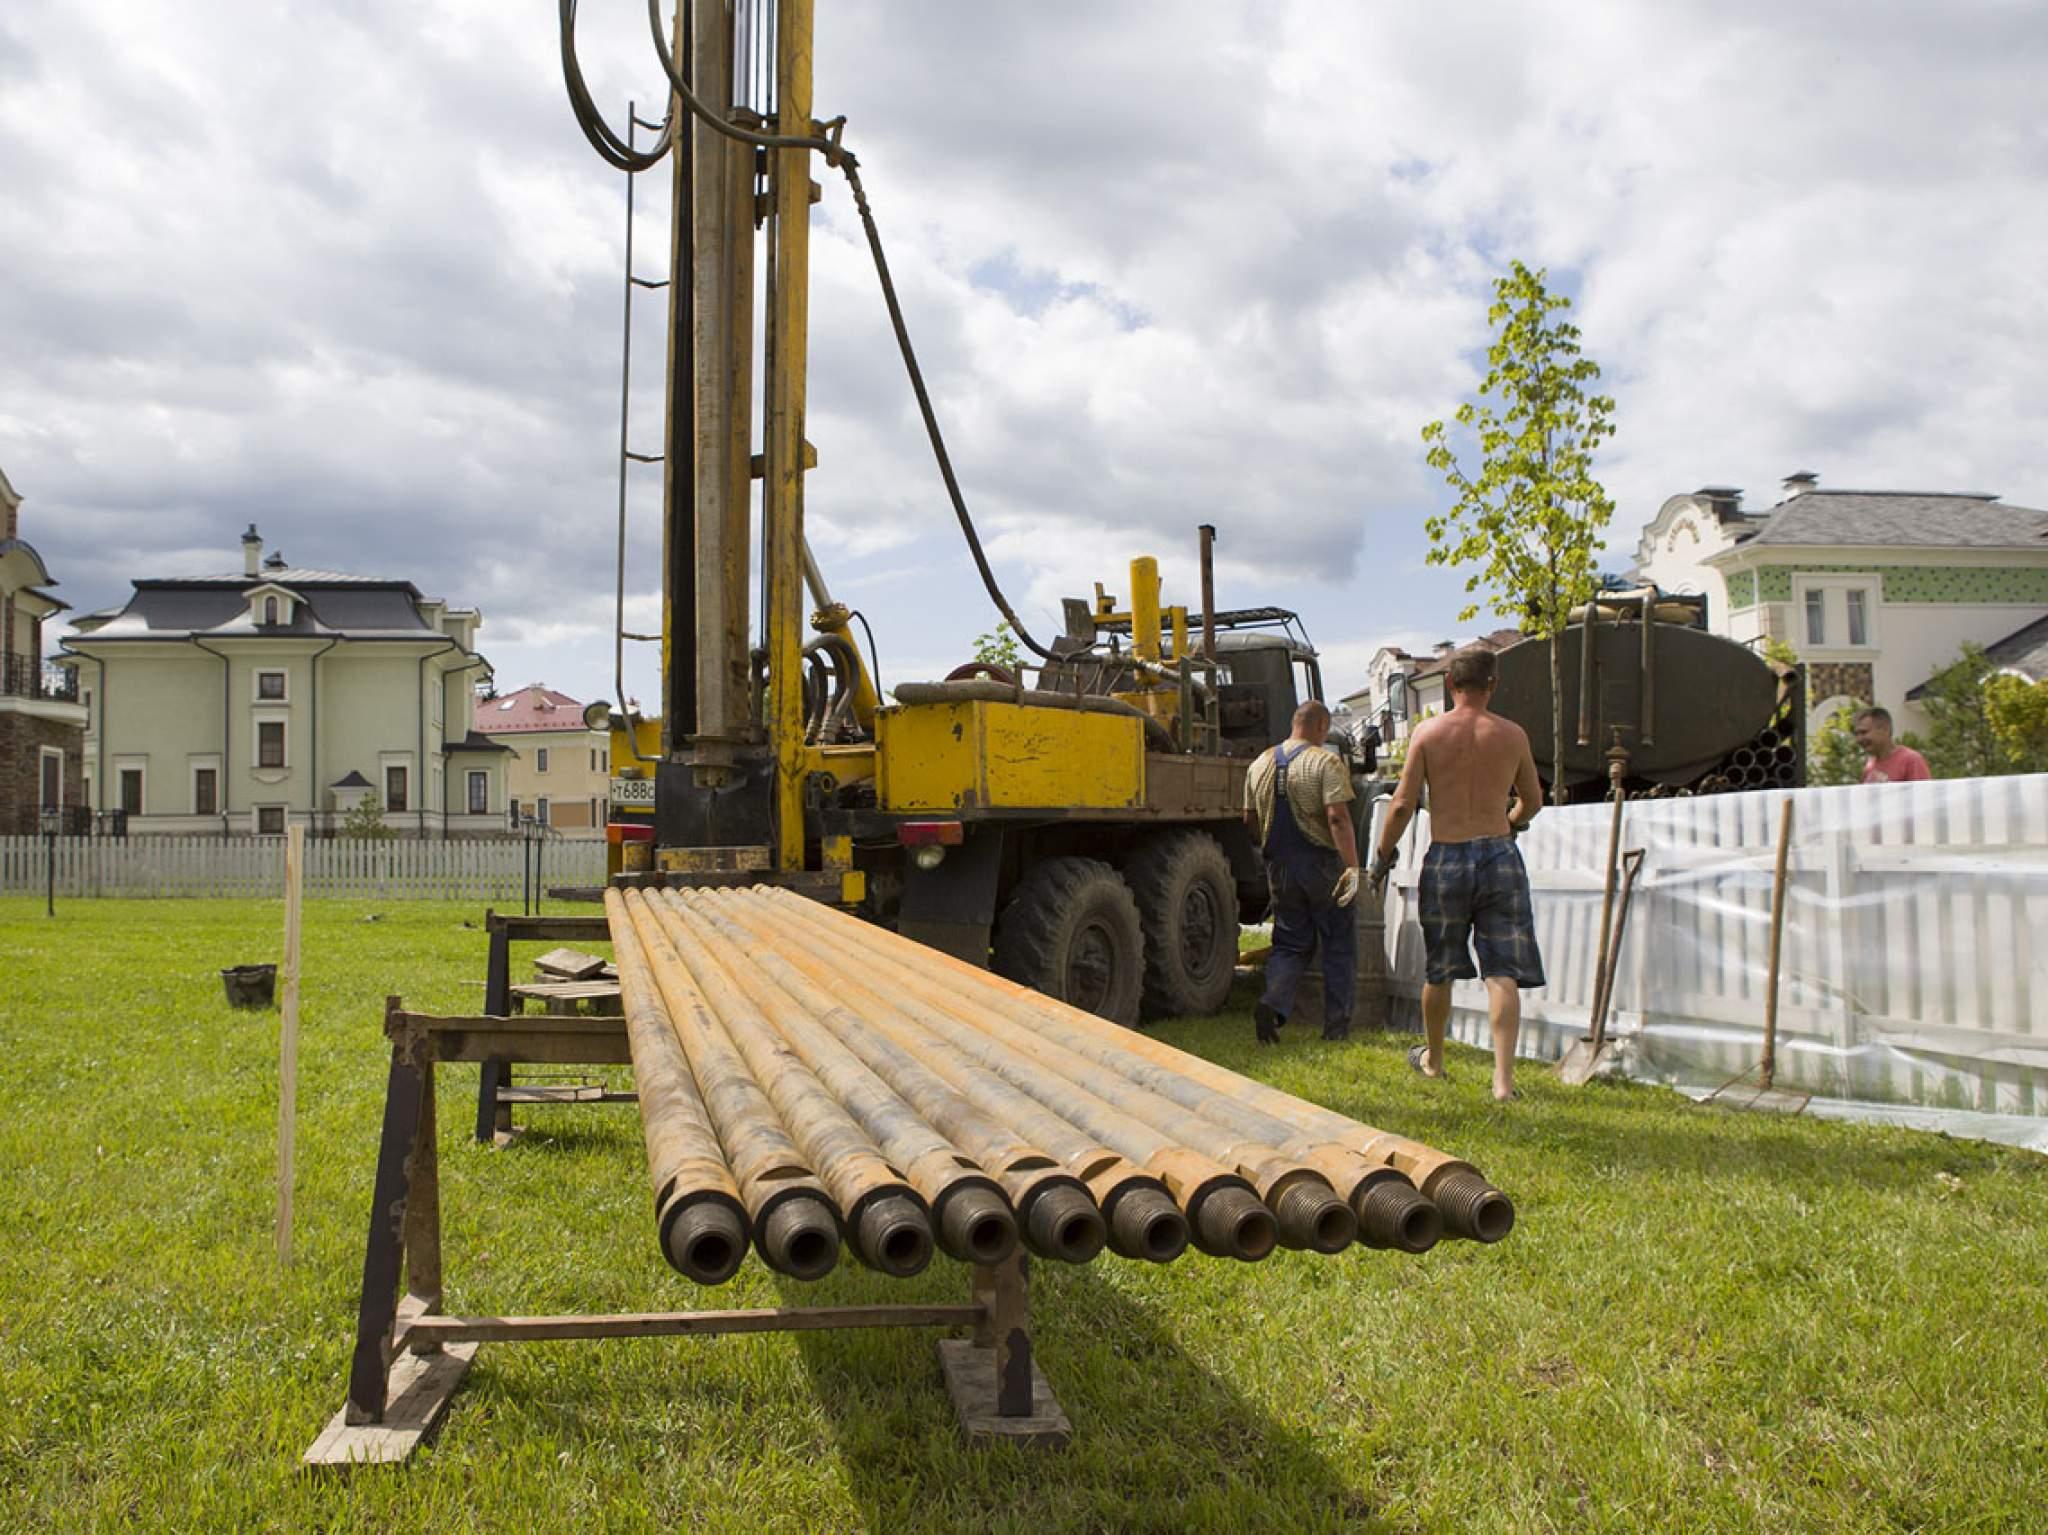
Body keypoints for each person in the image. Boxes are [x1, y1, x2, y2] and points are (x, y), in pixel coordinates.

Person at [1369, 647, 1544, 1101]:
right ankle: (1503, 1082)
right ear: (1494, 685)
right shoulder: (1512, 735)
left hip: (1446, 855)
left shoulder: (1428, 734)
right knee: (1502, 969)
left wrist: (1382, 857)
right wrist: (1512, 821)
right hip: (1499, 855)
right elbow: (1533, 799)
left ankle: (1435, 1060)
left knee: (1440, 967)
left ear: (1450, 684)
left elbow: (1404, 804)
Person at [1243, 700, 1360, 1043]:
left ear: (1295, 723)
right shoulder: (1326, 761)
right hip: (1321, 864)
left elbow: (1248, 820)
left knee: (1290, 943)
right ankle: (1336, 1028)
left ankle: (1272, 1003)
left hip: (1278, 865)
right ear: (1322, 726)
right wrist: (1351, 867)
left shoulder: (1259, 763)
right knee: (1338, 944)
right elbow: (1337, 817)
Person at [1852, 706, 1931, 784]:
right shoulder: (1870, 765)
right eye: (1856, 734)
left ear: (1885, 729)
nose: (1858, 739)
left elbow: (1922, 795)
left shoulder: (1911, 761)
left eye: (1864, 732)